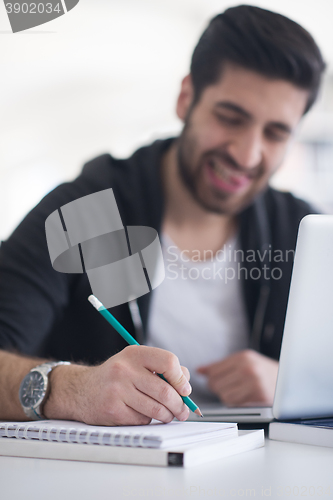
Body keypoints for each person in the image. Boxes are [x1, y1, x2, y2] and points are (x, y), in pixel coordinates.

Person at [0, 5, 325, 425]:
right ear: (186, 97)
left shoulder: (301, 233)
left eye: (276, 133)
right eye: (230, 118)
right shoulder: (82, 211)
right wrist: (71, 389)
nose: (247, 154)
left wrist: (294, 384)